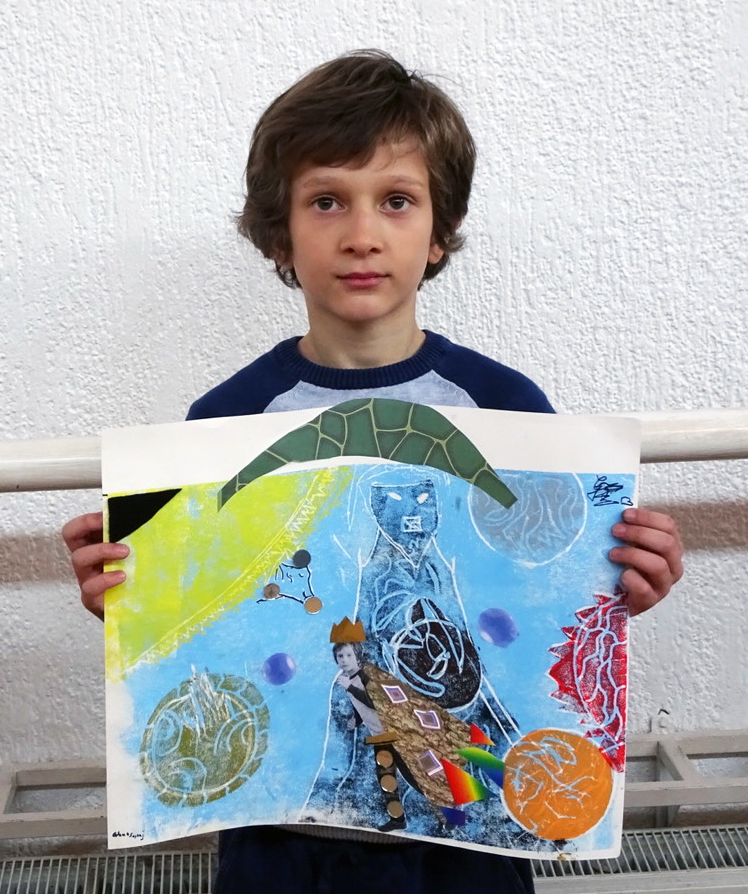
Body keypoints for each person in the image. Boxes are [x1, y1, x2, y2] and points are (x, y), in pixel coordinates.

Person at [62, 49, 684, 894]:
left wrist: (619, 582)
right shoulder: (222, 426)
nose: (362, 234)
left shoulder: (509, 410)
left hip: (467, 853)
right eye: (326, 201)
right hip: (281, 846)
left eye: (396, 200)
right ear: (279, 233)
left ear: (439, 231)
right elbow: (207, 622)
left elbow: (549, 592)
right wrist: (130, 600)